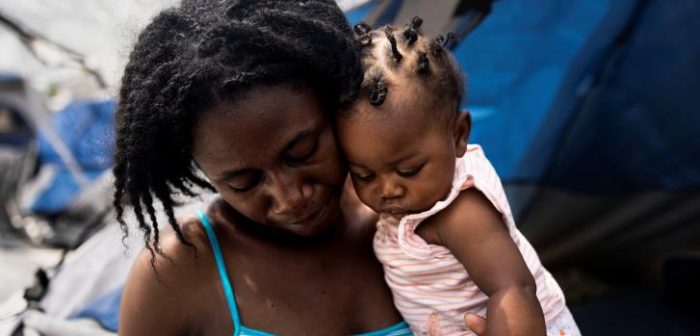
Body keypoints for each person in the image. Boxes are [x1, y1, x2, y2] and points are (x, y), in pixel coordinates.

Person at [112, 0, 417, 335]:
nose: (290, 198)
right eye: (244, 182)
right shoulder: (180, 275)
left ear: (334, 100)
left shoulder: (414, 209)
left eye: (302, 152)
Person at [335, 18, 582, 335]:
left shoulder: (459, 212)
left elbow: (512, 287)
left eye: (408, 170)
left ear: (459, 134)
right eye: (364, 175)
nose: (388, 189)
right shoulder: (415, 198)